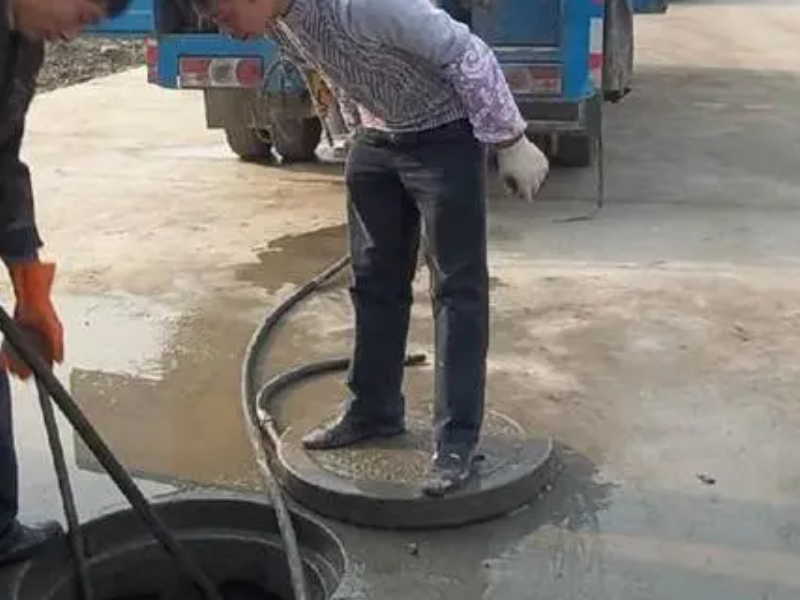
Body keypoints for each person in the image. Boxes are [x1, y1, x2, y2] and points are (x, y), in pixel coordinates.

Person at [209, 0, 550, 496]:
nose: (223, 29)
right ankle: (373, 411)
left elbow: (466, 51)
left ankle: (456, 441)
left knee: (457, 292)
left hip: (443, 140)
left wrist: (510, 139)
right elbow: (331, 68)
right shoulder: (279, 23)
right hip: (376, 142)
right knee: (373, 284)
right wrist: (346, 128)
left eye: (223, 14)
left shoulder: (362, 5)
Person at [0, 0, 132, 565]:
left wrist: (28, 284)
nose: (74, 35)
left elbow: (4, 157)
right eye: (81, 14)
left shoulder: (22, 45)